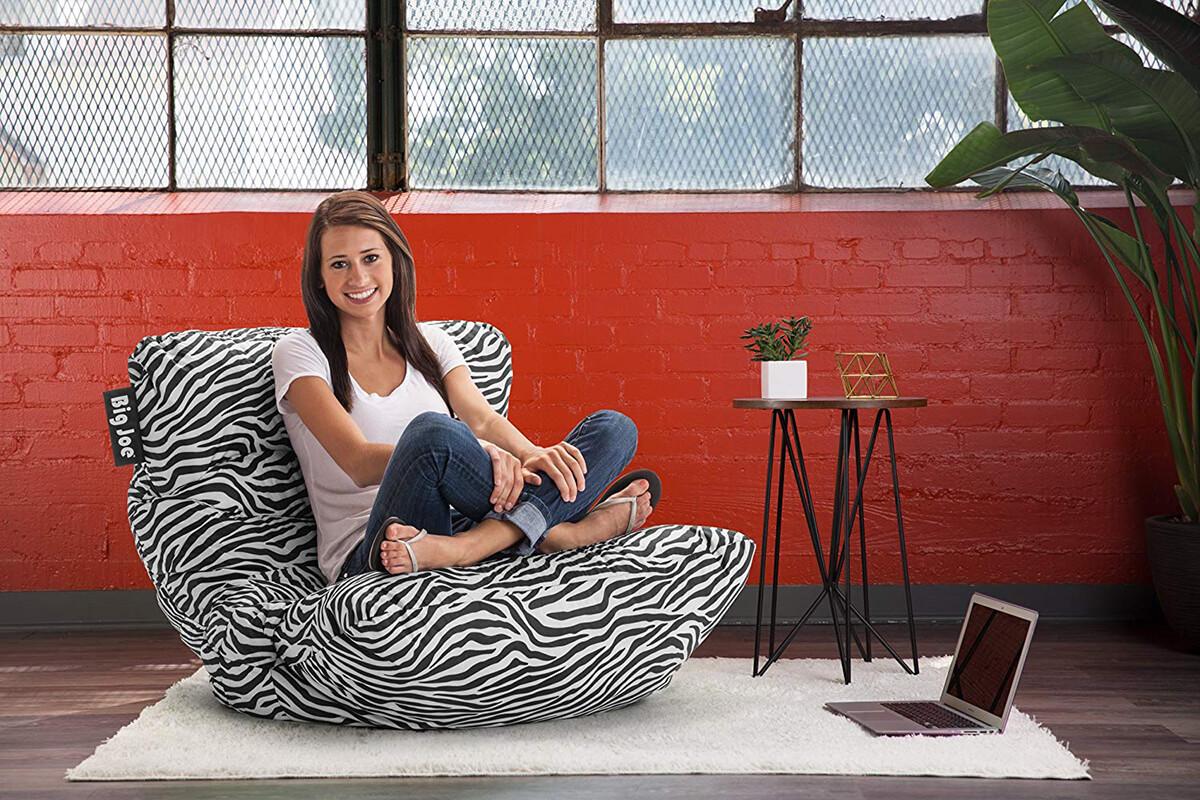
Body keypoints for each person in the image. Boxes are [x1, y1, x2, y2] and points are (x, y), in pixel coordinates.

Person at [271, 190, 657, 585]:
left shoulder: (431, 343)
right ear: (319, 277)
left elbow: (483, 420)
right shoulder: (300, 353)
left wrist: (530, 454)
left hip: (458, 524)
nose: (358, 278)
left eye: (371, 258)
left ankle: (474, 546)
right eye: (339, 264)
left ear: (394, 260)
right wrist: (475, 453)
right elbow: (356, 460)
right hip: (376, 545)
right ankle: (561, 534)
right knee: (433, 433)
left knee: (614, 429)